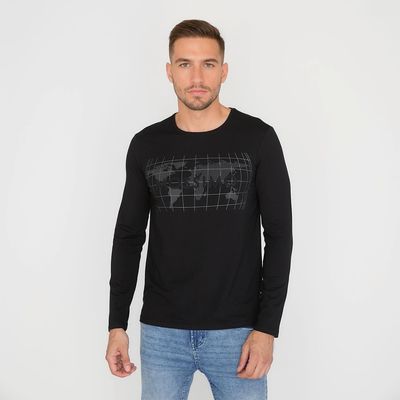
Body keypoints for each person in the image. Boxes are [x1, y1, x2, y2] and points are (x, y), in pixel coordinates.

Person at [105, 19, 293, 400]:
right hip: (162, 334)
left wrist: (266, 329)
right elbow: (128, 236)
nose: (196, 78)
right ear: (169, 71)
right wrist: (116, 324)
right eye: (184, 64)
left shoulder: (258, 139)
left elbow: (279, 237)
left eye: (208, 64)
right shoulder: (146, 145)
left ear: (223, 71)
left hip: (239, 334)